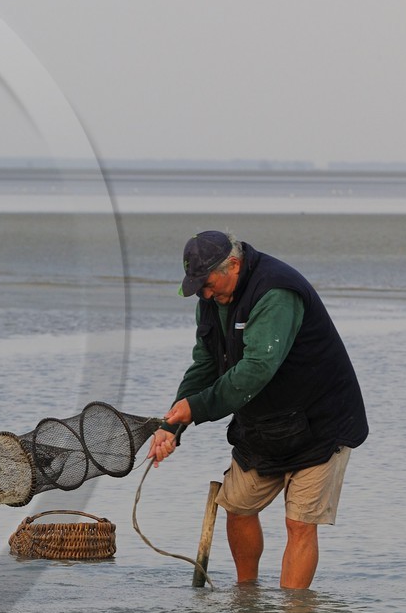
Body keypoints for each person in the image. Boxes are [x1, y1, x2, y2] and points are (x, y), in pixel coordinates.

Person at [148, 230, 367, 588]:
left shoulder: (276, 291)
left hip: (320, 421)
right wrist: (172, 424)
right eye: (197, 286)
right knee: (236, 507)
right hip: (264, 424)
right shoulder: (211, 295)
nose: (204, 293)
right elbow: (204, 365)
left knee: (298, 523)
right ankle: (247, 602)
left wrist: (196, 408)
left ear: (234, 264)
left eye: (207, 283)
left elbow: (256, 370)